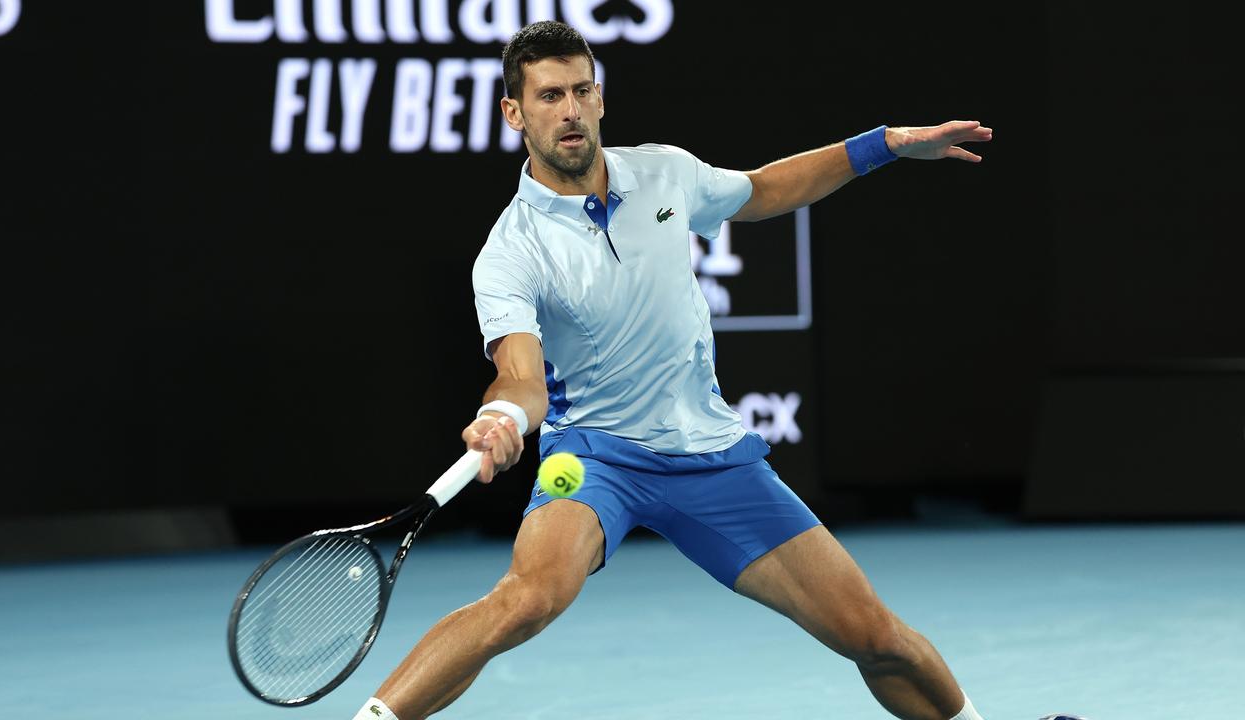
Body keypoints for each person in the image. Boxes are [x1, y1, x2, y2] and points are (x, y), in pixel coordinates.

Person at [353, 20, 993, 720]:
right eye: (547, 96)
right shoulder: (509, 252)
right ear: (515, 112)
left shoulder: (665, 171)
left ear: (599, 98)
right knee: (525, 602)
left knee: (876, 638)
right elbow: (520, 376)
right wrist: (501, 418)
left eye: (580, 90)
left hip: (713, 456)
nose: (568, 110)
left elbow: (764, 190)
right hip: (597, 458)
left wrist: (885, 146)